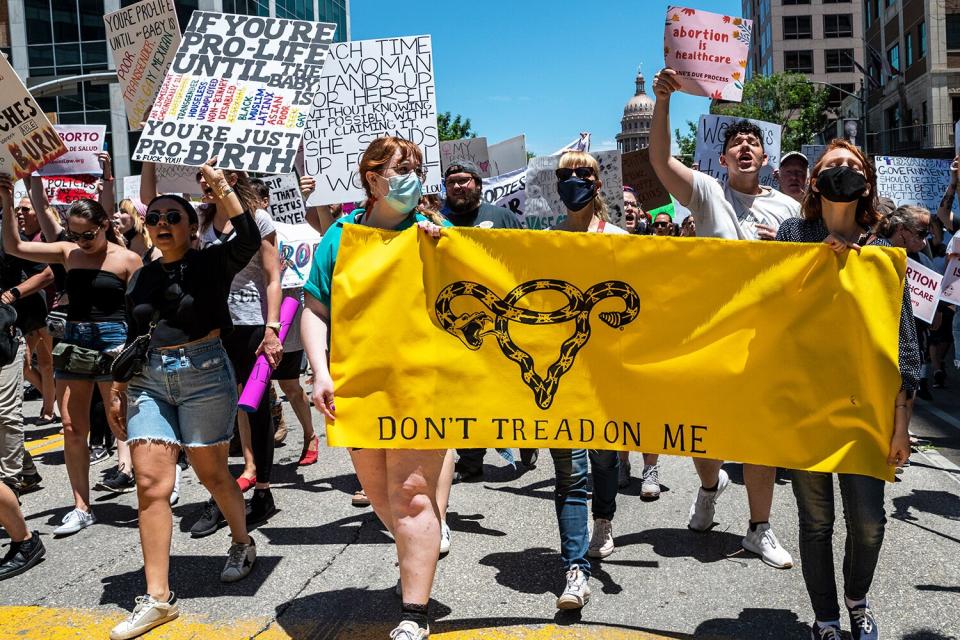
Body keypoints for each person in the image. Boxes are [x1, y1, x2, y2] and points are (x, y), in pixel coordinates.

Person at [301, 136, 449, 640]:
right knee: (380, 493)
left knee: (410, 496)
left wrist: (448, 250)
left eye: (416, 167)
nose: (411, 176)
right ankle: (419, 550)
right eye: (400, 168)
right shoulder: (339, 237)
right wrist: (320, 372)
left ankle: (414, 611)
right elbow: (315, 311)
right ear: (372, 178)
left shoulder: (434, 232)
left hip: (419, 384)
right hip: (356, 384)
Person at [650, 66, 797, 569]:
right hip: (711, 335)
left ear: (765, 155)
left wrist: (787, 250)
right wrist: (665, 101)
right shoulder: (708, 193)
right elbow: (659, 159)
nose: (745, 147)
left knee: (760, 435)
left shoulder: (789, 208)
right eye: (736, 142)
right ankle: (710, 488)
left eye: (753, 142)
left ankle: (759, 528)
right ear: (722, 156)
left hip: (763, 339)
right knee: (703, 430)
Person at [107, 161, 259, 640]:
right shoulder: (140, 277)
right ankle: (157, 599)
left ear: (193, 227)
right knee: (151, 484)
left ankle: (241, 541)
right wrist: (118, 386)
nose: (162, 225)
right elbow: (134, 332)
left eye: (174, 217)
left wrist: (218, 187)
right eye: (154, 219)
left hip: (205, 373)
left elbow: (250, 237)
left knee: (213, 472)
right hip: (149, 380)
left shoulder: (211, 261)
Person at [776, 138, 921, 640]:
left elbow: (904, 345)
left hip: (866, 411)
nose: (842, 171)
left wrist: (901, 423)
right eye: (832, 165)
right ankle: (826, 619)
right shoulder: (792, 234)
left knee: (869, 522)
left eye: (852, 166)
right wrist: (819, 265)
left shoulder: (883, 251)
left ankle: (856, 599)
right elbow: (771, 310)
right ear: (815, 181)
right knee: (815, 523)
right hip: (806, 407)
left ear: (867, 183)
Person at [141, 160, 284, 535]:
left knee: (255, 404)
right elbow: (149, 204)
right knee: (228, 405)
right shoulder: (197, 220)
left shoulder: (257, 220)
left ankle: (262, 488)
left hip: (251, 319)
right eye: (201, 178)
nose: (203, 183)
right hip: (211, 323)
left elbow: (273, 277)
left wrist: (273, 327)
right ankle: (232, 482)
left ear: (230, 179)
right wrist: (148, 163)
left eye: (210, 178)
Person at [3, 182, 141, 536]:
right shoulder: (68, 253)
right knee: (71, 427)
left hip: (114, 341)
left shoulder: (127, 260)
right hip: (75, 343)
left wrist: (137, 350)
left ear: (105, 226)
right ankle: (82, 506)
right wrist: (6, 199)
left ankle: (149, 490)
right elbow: (14, 246)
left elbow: (143, 309)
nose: (81, 241)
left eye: (88, 234)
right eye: (75, 234)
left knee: (121, 421)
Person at [534, 150, 625, 607]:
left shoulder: (622, 238)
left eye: (582, 173)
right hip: (561, 374)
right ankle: (575, 569)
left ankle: (604, 518)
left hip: (608, 377)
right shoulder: (542, 241)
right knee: (570, 474)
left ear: (598, 182)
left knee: (606, 462)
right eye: (565, 174)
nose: (574, 180)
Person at [248, 178, 318, 467]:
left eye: (251, 199)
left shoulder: (291, 230)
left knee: (290, 384)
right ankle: (262, 447)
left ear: (265, 202)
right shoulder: (239, 231)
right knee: (254, 386)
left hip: (286, 313)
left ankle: (310, 435)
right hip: (252, 315)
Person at [12, 195, 57, 427]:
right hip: (20, 310)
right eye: (18, 209)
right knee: (25, 363)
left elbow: (48, 274)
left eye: (26, 209)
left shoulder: (43, 240)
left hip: (40, 307)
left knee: (46, 362)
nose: (21, 213)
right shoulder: (17, 237)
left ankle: (49, 408)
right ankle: (51, 395)